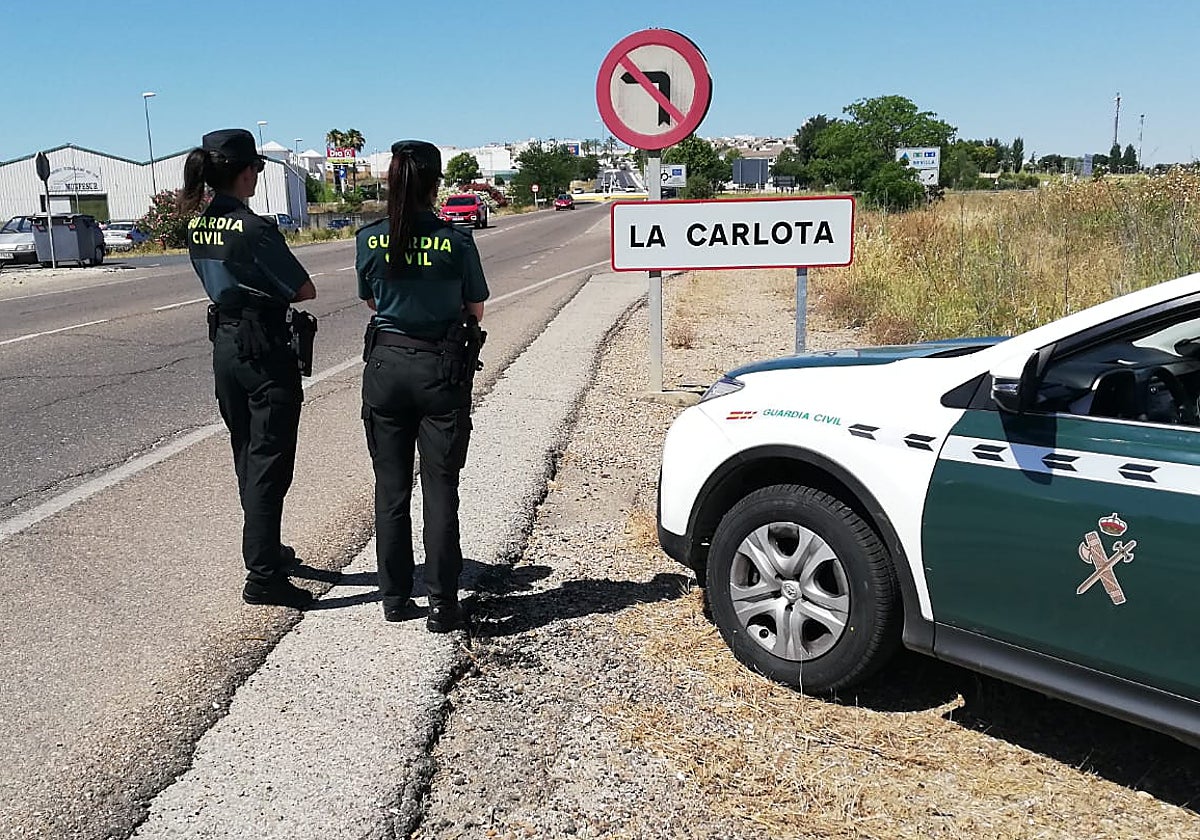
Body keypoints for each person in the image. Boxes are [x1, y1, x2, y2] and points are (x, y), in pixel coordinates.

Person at [356, 140, 489, 633]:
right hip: (441, 369)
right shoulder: (456, 241)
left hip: (386, 367)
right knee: (440, 489)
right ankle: (442, 603)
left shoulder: (369, 238)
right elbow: (475, 307)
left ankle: (393, 597)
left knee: (390, 490)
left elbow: (371, 300)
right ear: (435, 183)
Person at [181, 128, 317, 609]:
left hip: (225, 344)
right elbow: (303, 289)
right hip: (262, 346)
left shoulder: (198, 226)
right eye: (257, 168)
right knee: (270, 459)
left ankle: (269, 550)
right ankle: (262, 575)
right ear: (243, 172)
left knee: (247, 452)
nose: (258, 175)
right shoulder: (255, 229)